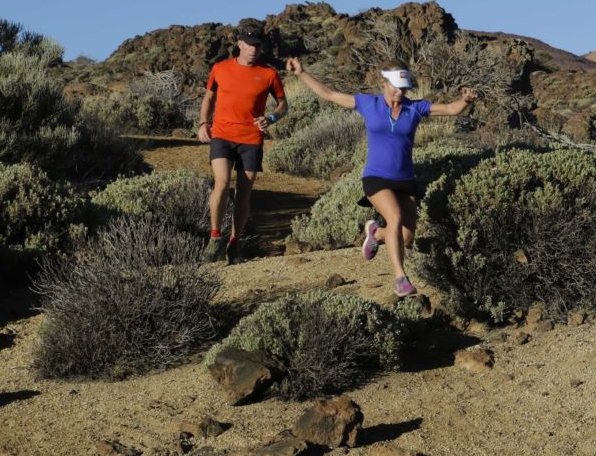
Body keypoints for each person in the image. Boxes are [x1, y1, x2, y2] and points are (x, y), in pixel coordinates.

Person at [285, 57, 475, 295]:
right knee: (394, 217)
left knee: (406, 237)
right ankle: (400, 278)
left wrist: (465, 100)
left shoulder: (415, 108)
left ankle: (376, 233)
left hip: (405, 181)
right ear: (383, 83)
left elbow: (450, 109)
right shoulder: (369, 104)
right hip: (376, 178)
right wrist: (301, 73)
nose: (399, 92)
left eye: (403, 88)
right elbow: (330, 94)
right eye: (395, 86)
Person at [198, 19, 287, 261]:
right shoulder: (220, 69)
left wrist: (271, 118)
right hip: (223, 135)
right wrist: (203, 123)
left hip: (251, 139)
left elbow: (283, 105)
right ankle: (215, 236)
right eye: (249, 44)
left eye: (257, 45)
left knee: (243, 194)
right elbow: (209, 98)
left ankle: (234, 242)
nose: (253, 49)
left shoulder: (269, 74)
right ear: (239, 44)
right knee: (222, 183)